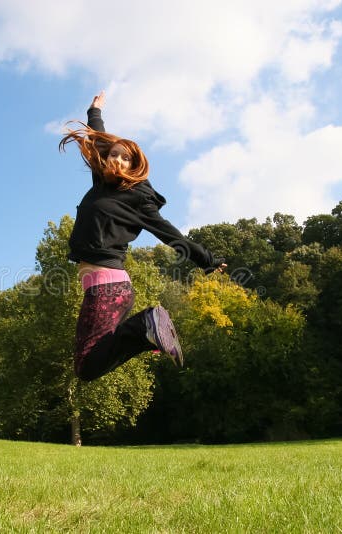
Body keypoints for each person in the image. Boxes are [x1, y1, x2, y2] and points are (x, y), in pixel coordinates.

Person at [60, 90, 226, 382]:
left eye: (126, 159)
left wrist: (206, 260)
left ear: (135, 165)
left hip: (108, 289)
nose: (118, 161)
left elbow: (169, 234)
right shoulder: (101, 183)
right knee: (89, 363)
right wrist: (94, 110)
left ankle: (145, 325)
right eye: (114, 155)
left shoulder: (138, 198)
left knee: (86, 367)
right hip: (105, 290)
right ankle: (146, 331)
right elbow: (99, 136)